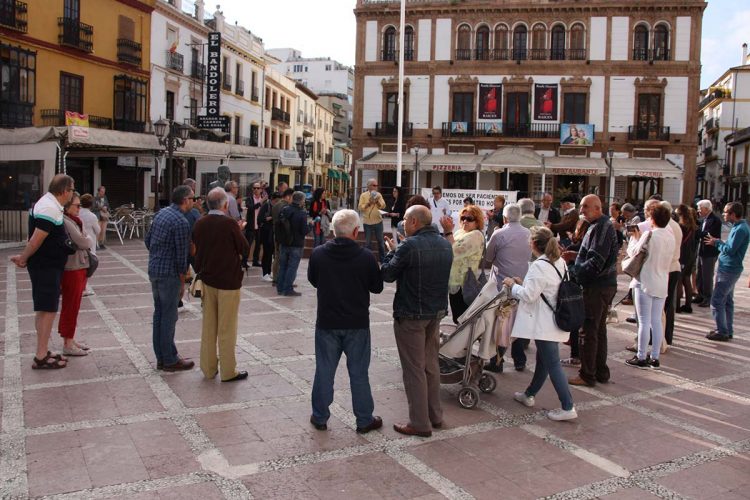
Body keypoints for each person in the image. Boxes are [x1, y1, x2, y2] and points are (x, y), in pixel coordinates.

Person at [308, 209, 384, 433]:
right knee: (359, 372)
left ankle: (320, 416)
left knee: (324, 370)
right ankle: (364, 419)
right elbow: (377, 287)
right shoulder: (366, 256)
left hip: (328, 321)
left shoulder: (319, 254)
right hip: (357, 323)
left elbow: (313, 280)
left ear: (333, 230)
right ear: (356, 231)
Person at [381, 205, 453, 437]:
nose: (402, 222)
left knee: (414, 369)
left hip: (411, 314)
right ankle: (435, 415)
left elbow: (387, 274)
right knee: (430, 365)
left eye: (404, 219)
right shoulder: (445, 244)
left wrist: (392, 250)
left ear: (413, 222)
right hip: (435, 313)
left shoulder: (409, 246)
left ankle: (420, 423)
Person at [504, 226, 577, 421]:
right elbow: (542, 289)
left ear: (534, 244)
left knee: (552, 364)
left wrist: (513, 286)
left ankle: (568, 406)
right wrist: (522, 284)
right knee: (544, 361)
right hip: (553, 320)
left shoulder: (539, 265)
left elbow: (529, 295)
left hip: (544, 323)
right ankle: (529, 394)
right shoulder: (558, 261)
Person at [10, 174, 75, 369]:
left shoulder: (49, 203)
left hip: (47, 266)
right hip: (46, 267)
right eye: (72, 190)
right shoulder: (48, 207)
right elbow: (36, 239)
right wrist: (23, 258)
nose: (72, 194)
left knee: (44, 309)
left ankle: (43, 349)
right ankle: (41, 355)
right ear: (64, 191)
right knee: (47, 310)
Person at [193, 187, 250, 382]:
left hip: (208, 279)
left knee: (209, 326)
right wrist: (240, 229)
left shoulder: (200, 222)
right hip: (228, 281)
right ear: (225, 205)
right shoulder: (229, 224)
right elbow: (244, 247)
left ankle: (208, 369)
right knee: (227, 328)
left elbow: (195, 249)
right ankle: (228, 371)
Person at [564, 194, 619, 387]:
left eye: (585, 207)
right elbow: (594, 255)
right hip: (602, 285)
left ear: (598, 208)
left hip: (597, 286)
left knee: (587, 331)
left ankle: (587, 374)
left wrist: (574, 271)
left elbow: (596, 262)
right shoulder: (597, 225)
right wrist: (576, 255)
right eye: (581, 206)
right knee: (598, 330)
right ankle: (600, 371)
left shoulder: (602, 227)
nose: (581, 210)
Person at [145, 185, 195, 372]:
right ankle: (169, 359)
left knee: (159, 314)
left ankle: (161, 356)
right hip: (169, 275)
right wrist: (182, 282)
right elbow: (181, 257)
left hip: (155, 270)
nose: (194, 201)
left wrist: (158, 255)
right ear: (185, 200)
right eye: (192, 197)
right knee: (168, 316)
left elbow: (148, 241)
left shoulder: (162, 213)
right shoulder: (181, 222)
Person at [625, 204, 675, 369]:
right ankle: (654, 356)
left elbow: (634, 252)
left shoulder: (650, 235)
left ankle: (640, 356)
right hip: (662, 281)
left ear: (652, 219)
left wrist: (635, 237)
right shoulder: (670, 236)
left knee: (644, 321)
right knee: (656, 321)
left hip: (645, 281)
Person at [484, 203, 531, 372]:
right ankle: (520, 360)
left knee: (500, 323)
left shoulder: (499, 234)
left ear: (504, 218)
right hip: (521, 283)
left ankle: (497, 361)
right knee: (518, 321)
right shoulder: (528, 234)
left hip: (501, 285)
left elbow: (488, 257)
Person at [704, 201, 750, 341]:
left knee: (717, 301)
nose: (723, 214)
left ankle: (722, 330)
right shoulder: (738, 227)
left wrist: (717, 243)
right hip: (729, 268)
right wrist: (720, 242)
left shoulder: (741, 229)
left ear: (733, 214)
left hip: (729, 269)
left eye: (726, 212)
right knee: (728, 301)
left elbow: (730, 250)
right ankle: (726, 329)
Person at [59, 192, 94, 356]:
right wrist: (85, 238)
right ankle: (67, 343)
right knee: (70, 306)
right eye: (77, 206)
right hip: (72, 268)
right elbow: (84, 241)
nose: (79, 209)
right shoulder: (67, 222)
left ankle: (70, 339)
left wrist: (84, 238)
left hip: (79, 265)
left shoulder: (74, 221)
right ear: (67, 206)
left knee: (74, 306)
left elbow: (84, 239)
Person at [440, 205, 486, 323]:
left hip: (464, 284)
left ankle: (466, 341)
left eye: (469, 219)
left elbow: (454, 251)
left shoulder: (476, 235)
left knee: (463, 320)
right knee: (458, 318)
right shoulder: (461, 232)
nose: (465, 221)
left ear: (477, 221)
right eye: (463, 218)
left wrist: (448, 232)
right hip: (454, 283)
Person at [277, 191, 310, 296]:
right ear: (301, 201)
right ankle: (287, 289)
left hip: (284, 242)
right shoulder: (301, 213)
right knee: (292, 266)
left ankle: (280, 287)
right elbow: (304, 230)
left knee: (283, 265)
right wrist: (311, 225)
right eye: (303, 200)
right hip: (296, 243)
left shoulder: (284, 209)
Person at [661, 201, 683, 347]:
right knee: (668, 306)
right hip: (672, 268)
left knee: (663, 307)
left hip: (667, 269)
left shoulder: (667, 226)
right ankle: (666, 336)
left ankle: (662, 338)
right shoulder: (674, 225)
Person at [695, 199, 722, 308]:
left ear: (706, 209)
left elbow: (707, 234)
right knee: (700, 274)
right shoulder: (703, 219)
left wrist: (697, 231)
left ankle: (707, 297)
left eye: (700, 209)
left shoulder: (715, 220)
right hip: (702, 250)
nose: (698, 211)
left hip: (710, 252)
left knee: (707, 275)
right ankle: (700, 294)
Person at [676, 204, 699, 313]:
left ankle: (676, 305)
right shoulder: (693, 226)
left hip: (682, 256)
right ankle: (688, 305)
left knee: (679, 280)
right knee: (686, 279)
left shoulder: (681, 226)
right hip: (690, 256)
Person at [357, 179, 386, 262]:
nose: (376, 187)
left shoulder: (379, 195)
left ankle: (383, 260)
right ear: (369, 186)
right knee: (368, 243)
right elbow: (360, 207)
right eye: (374, 185)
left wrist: (377, 202)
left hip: (378, 221)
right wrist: (368, 204)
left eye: (376, 185)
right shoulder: (363, 195)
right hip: (367, 222)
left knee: (380, 242)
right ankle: (368, 261)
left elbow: (383, 206)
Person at [79, 194, 100, 297]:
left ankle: (82, 287)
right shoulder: (92, 216)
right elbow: (98, 230)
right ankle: (83, 288)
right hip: (89, 243)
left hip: (78, 242)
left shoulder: (77, 213)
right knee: (88, 266)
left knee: (80, 265)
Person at [271, 188, 293, 283]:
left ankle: (276, 277)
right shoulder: (285, 206)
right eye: (292, 197)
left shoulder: (276, 205)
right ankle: (279, 278)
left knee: (277, 256)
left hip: (276, 233)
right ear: (288, 197)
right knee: (282, 257)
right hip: (283, 235)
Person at [258, 192, 279, 282]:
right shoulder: (266, 206)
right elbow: (259, 219)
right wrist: (269, 218)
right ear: (273, 199)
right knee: (266, 253)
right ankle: (265, 273)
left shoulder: (275, 206)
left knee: (270, 253)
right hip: (266, 233)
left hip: (272, 232)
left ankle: (269, 272)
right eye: (277, 200)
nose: (278, 202)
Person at [245, 181, 267, 266]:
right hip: (251, 225)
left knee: (258, 245)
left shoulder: (264, 200)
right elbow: (250, 208)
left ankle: (255, 261)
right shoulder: (249, 199)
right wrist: (260, 202)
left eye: (258, 188)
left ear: (261, 190)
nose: (256, 190)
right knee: (248, 244)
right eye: (254, 188)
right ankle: (244, 261)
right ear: (252, 189)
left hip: (260, 225)